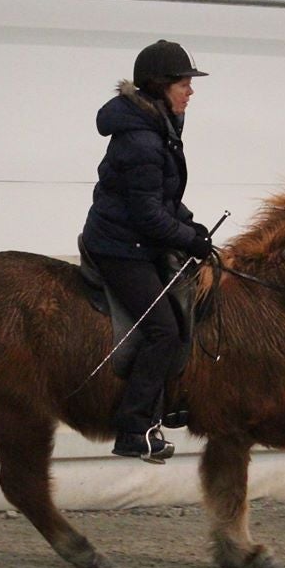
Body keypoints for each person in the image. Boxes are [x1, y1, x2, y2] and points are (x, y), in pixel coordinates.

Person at [81, 39, 212, 460]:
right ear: (159, 85)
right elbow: (147, 216)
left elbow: (164, 200)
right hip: (120, 247)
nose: (191, 91)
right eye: (184, 83)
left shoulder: (162, 127)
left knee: (190, 305)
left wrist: (193, 225)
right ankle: (134, 429)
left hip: (140, 240)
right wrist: (188, 239)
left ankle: (174, 402)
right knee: (163, 330)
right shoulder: (142, 140)